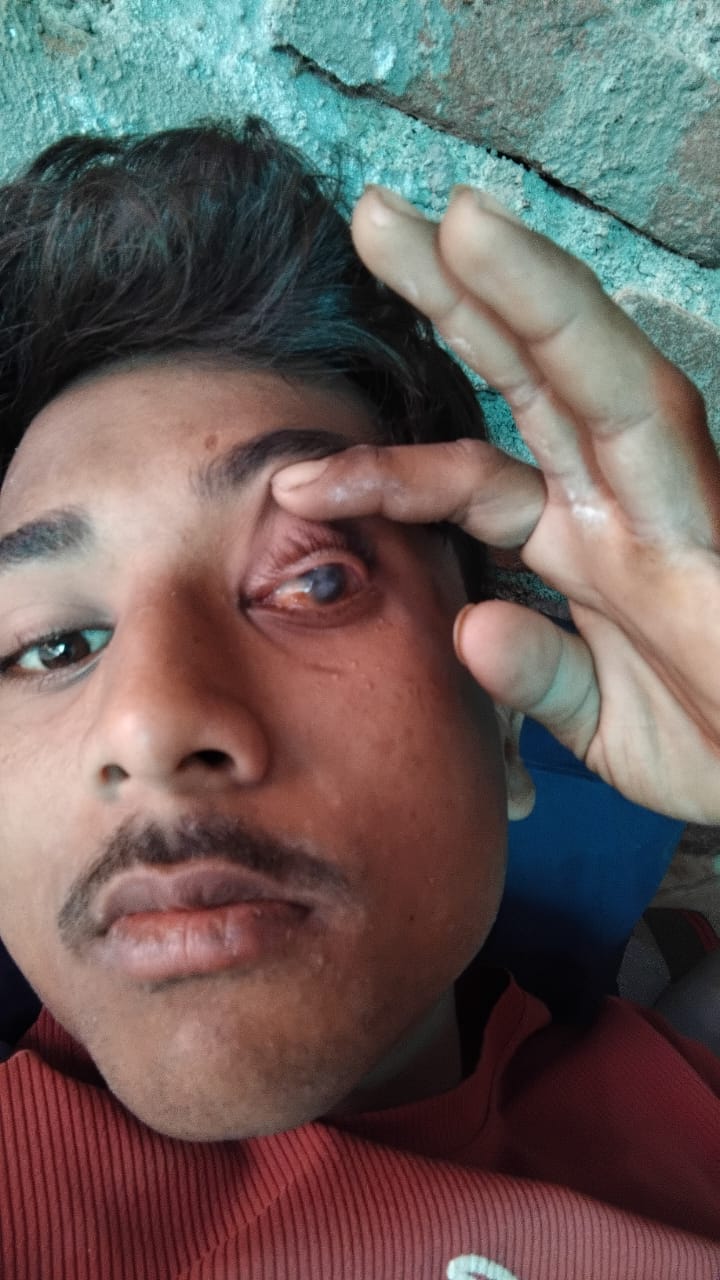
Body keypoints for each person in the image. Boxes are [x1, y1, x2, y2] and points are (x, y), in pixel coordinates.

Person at [0, 118, 717, 1280]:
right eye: (54, 644)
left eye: (315, 580)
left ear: (503, 722)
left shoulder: (681, 1095)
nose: (150, 722)